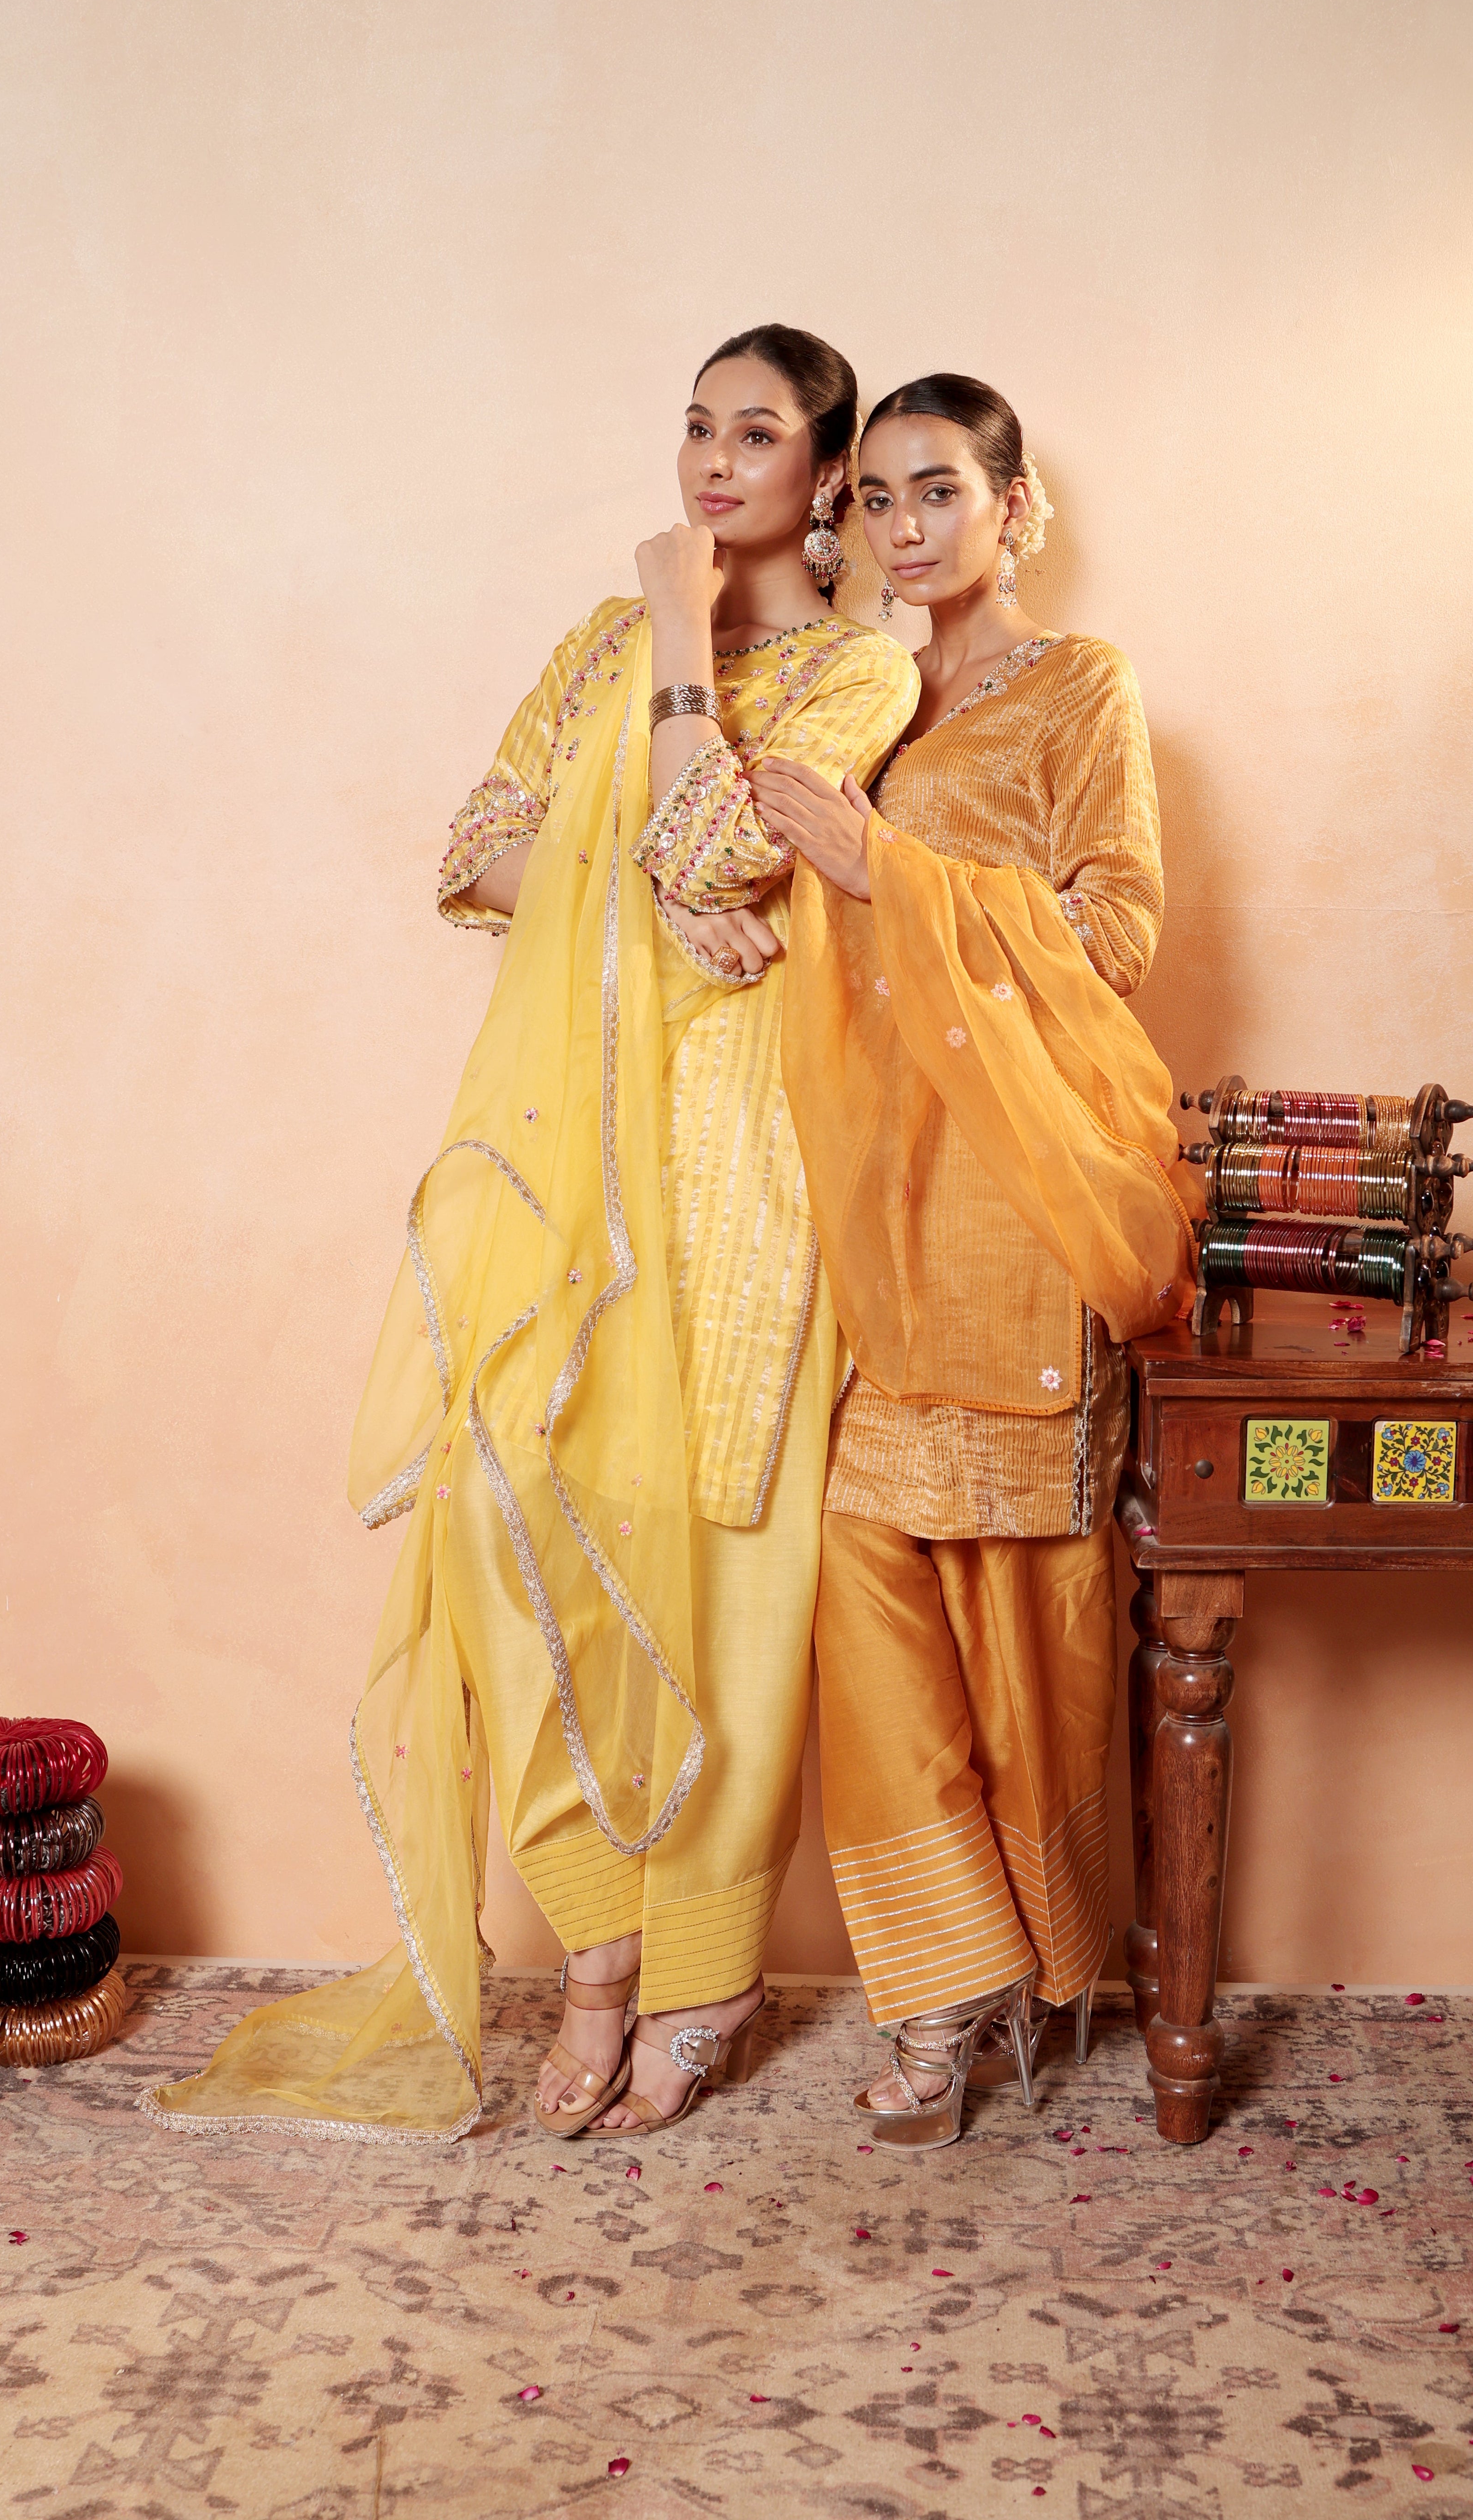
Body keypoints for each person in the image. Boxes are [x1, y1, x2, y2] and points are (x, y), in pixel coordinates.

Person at [145, 327, 917, 2146]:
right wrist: (648, 873)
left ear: (825, 480)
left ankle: (702, 1973)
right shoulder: (589, 645)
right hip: (561, 1154)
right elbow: (471, 851)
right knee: (515, 1516)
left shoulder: (857, 664)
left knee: (714, 1556)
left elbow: (720, 844)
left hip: (741, 1160)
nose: (713, 465)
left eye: (758, 436)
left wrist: (671, 668)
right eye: (695, 426)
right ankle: (590, 1953)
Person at [756, 374, 1196, 2147]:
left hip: (1024, 1195)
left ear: (1017, 511)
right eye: (873, 498)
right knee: (868, 1596)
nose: (904, 526)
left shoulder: (1080, 687)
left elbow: (1117, 930)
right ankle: (937, 1996)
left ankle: (1036, 1969)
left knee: (1029, 1600)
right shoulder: (839, 698)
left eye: (940, 491)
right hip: (860, 1197)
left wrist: (894, 870)